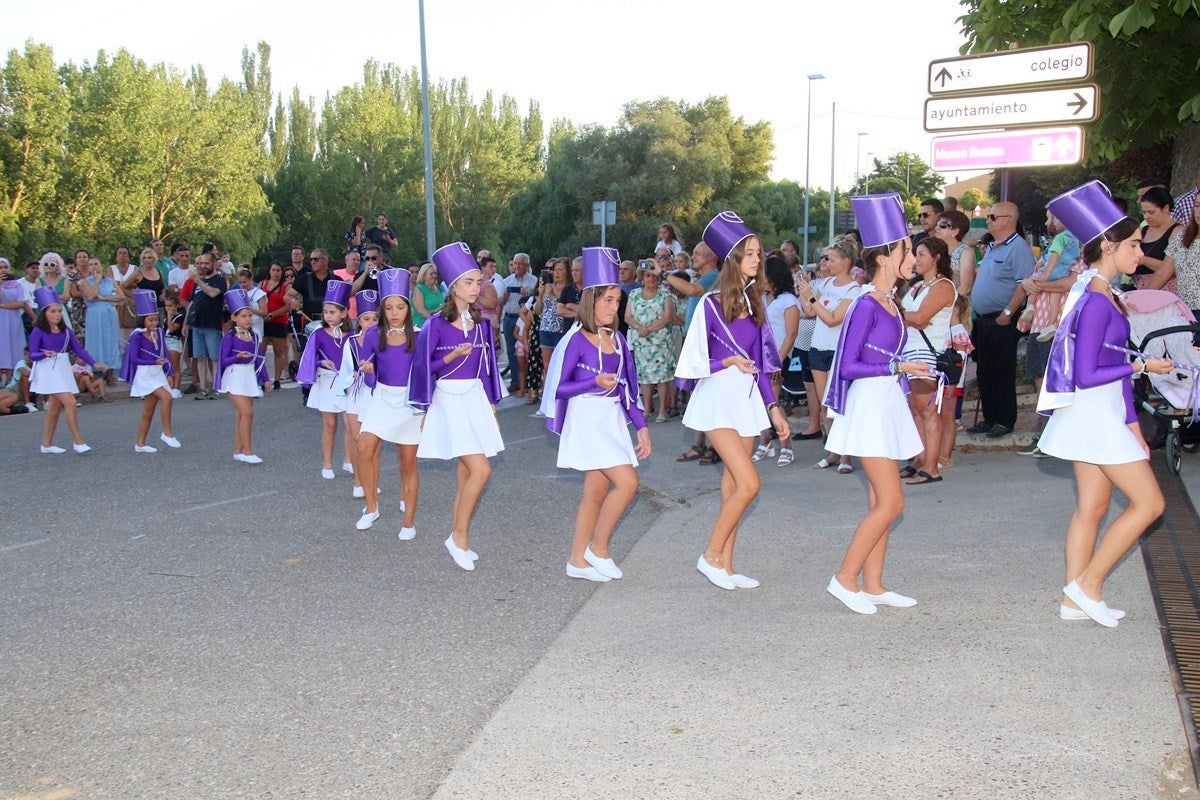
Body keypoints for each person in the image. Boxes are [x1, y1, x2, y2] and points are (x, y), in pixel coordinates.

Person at [1038, 180, 1172, 627]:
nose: (1140, 251)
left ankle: (1074, 602)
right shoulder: (1095, 299)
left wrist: (1133, 426)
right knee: (1150, 504)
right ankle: (1088, 584)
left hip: (1103, 412)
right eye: (1134, 244)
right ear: (1110, 246)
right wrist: (1142, 369)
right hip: (1093, 413)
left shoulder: (1105, 294)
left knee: (1093, 508)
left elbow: (1109, 366)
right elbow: (1088, 374)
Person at [824, 193, 931, 615]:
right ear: (886, 257)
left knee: (879, 502)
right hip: (869, 407)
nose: (913, 257)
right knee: (892, 502)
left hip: (886, 403)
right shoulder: (866, 304)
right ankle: (845, 578)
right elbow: (847, 365)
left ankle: (873, 583)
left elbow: (885, 359)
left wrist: (908, 369)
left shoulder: (891, 303)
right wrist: (898, 368)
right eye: (906, 249)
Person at [675, 212, 790, 590]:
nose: (758, 259)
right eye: (750, 254)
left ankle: (726, 564)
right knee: (750, 484)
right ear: (733, 260)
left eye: (759, 253)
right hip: (717, 400)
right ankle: (710, 555)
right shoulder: (709, 304)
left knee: (732, 487)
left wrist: (774, 408)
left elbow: (763, 364)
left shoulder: (756, 304)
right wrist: (725, 360)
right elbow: (691, 363)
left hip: (746, 401)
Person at [541, 246, 651, 582]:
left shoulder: (617, 338)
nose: (613, 306)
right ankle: (599, 548)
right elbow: (557, 388)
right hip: (587, 420)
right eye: (607, 300)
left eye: (617, 300)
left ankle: (577, 559)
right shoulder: (576, 340)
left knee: (595, 492)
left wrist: (642, 427)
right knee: (628, 482)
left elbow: (629, 387)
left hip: (612, 419)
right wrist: (592, 381)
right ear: (591, 300)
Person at [409, 242, 505, 571]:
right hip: (448, 400)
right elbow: (423, 367)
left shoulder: (480, 323)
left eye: (479, 281)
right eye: (470, 282)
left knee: (467, 474)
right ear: (453, 287)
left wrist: (491, 402)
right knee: (481, 470)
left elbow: (489, 364)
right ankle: (458, 539)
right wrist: (423, 409)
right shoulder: (435, 324)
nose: (477, 287)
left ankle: (457, 535)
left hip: (475, 398)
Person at [356, 272, 423, 538]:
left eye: (400, 307)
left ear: (408, 307)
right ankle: (371, 507)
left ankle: (409, 521)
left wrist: (426, 410)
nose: (394, 313)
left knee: (408, 462)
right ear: (382, 309)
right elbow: (368, 376)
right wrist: (369, 370)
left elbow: (427, 376)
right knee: (364, 447)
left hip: (410, 403)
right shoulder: (373, 334)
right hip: (382, 398)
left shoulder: (419, 336)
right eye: (389, 307)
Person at [966, 201, 1036, 438]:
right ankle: (990, 417)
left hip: (1002, 319)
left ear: (1008, 219)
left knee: (1002, 371)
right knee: (985, 371)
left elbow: (1025, 284)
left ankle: (1004, 419)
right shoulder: (994, 247)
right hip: (983, 320)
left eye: (993, 217)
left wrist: (1008, 312)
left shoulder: (1018, 248)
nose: (988, 220)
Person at [795, 236, 863, 473]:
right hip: (818, 347)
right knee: (825, 404)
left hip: (838, 350)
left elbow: (833, 320)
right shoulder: (825, 284)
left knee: (839, 403)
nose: (827, 263)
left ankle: (846, 456)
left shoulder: (854, 289)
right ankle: (832, 451)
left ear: (845, 261)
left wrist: (811, 297)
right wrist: (804, 290)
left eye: (831, 259)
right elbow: (810, 312)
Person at [899, 237, 956, 485]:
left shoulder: (943, 286)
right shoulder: (917, 286)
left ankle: (932, 467)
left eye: (921, 254)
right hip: (908, 351)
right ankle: (920, 459)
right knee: (915, 409)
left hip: (926, 353)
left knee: (928, 410)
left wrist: (900, 313)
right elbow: (912, 317)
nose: (916, 259)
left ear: (936, 257)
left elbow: (920, 317)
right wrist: (907, 316)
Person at [29, 286, 108, 454]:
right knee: (70, 402)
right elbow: (33, 355)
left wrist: (94, 363)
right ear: (45, 313)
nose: (57, 314)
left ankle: (47, 444)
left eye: (58, 311)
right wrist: (44, 355)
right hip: (47, 369)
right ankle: (78, 441)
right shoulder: (38, 331)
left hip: (62, 367)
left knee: (55, 408)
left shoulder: (66, 331)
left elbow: (78, 350)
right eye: (53, 311)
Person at [663, 241, 721, 464]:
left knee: (707, 393)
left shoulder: (712, 276)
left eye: (697, 253)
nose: (693, 256)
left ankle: (714, 446)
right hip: (695, 342)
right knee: (698, 393)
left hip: (706, 344)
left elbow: (690, 290)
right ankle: (700, 444)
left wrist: (663, 274)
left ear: (710, 258)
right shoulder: (702, 277)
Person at [296, 280, 353, 480]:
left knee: (350, 422)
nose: (328, 316)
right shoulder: (318, 334)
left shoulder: (351, 335)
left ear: (344, 313)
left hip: (347, 382)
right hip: (327, 381)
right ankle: (327, 463)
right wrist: (321, 362)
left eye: (332, 312)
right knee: (329, 424)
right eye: (326, 312)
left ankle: (348, 459)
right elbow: (309, 358)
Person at [119, 289, 180, 453]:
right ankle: (167, 432)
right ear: (142, 320)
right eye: (150, 320)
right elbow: (133, 359)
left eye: (156, 320)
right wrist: (153, 361)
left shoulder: (159, 333)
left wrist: (170, 372)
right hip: (145, 374)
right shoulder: (137, 336)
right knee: (167, 397)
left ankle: (140, 443)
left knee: (148, 410)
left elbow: (164, 354)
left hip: (158, 372)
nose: (154, 323)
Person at [217, 289, 272, 463]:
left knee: (242, 415)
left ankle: (238, 450)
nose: (248, 319)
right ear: (234, 318)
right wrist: (236, 357)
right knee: (247, 413)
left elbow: (259, 359)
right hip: (234, 377)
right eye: (243, 316)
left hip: (249, 377)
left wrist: (266, 379)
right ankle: (248, 451)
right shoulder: (230, 337)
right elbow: (223, 360)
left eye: (249, 315)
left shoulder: (255, 336)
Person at [333, 290, 379, 499]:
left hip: (374, 393)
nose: (371, 323)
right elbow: (343, 372)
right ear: (359, 320)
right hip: (354, 393)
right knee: (357, 438)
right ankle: (358, 480)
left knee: (373, 442)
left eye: (375, 319)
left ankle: (372, 480)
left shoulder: (382, 340)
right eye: (367, 319)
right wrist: (352, 374)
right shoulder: (350, 342)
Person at [756, 256, 800, 466]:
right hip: (760, 356)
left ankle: (787, 446)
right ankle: (765, 442)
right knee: (760, 402)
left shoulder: (788, 301)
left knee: (772, 401)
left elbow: (791, 334)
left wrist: (778, 361)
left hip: (778, 357)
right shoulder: (762, 298)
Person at [625, 263, 677, 423]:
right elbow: (628, 317)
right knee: (645, 377)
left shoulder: (664, 294)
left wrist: (649, 328)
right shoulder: (634, 294)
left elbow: (668, 316)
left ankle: (662, 410)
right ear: (641, 277)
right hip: (642, 343)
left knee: (662, 377)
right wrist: (640, 328)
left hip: (660, 342)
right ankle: (647, 409)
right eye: (647, 275)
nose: (651, 278)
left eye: (654, 275)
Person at [182, 251, 227, 399]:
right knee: (199, 357)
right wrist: (186, 323)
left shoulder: (219, 280)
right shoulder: (198, 283)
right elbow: (192, 304)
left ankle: (215, 387)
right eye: (201, 263)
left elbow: (213, 293)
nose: (203, 266)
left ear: (213, 264)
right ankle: (202, 387)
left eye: (206, 263)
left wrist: (199, 282)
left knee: (214, 358)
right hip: (197, 325)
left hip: (212, 325)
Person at [79, 254, 123, 377]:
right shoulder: (85, 282)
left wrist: (104, 298)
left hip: (110, 313)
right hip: (95, 315)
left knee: (112, 340)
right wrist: (97, 282)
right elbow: (90, 296)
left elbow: (120, 296)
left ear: (101, 266)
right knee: (97, 341)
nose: (94, 267)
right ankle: (97, 371)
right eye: (91, 265)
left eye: (96, 264)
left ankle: (111, 371)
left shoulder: (110, 281)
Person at [500, 253, 537, 390]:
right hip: (509, 318)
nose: (517, 266)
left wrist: (528, 294)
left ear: (527, 265)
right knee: (511, 351)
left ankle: (528, 382)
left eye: (520, 263)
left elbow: (537, 299)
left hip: (524, 320)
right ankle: (515, 381)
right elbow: (501, 302)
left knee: (527, 351)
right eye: (515, 263)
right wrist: (504, 297)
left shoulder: (533, 280)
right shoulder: (507, 280)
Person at [1136, 187, 1179, 292]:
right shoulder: (1141, 231)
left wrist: (1144, 260)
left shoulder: (1178, 232)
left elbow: (1173, 269)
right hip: (1139, 288)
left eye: (1151, 212)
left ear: (1166, 208)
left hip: (1167, 292)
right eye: (1144, 212)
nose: (1147, 217)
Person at [1164, 194, 1200, 312]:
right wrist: (1141, 297)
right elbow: (1163, 272)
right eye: (1197, 206)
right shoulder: (1182, 237)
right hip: (1185, 312)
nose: (1199, 212)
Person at [260, 263, 293, 390]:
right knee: (260, 351)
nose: (275, 272)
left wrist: (273, 315)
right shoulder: (263, 284)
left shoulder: (286, 286)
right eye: (273, 270)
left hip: (279, 321)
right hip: (263, 321)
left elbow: (288, 306)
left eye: (278, 270)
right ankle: (263, 378)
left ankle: (277, 379)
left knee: (278, 351)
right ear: (269, 271)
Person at [0, 257, 31, 387]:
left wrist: (2, 305)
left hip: (13, 320)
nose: (3, 270)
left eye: (5, 267)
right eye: (0, 268)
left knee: (13, 347)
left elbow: (20, 303)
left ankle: (11, 380)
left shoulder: (17, 285)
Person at [933, 209, 977, 297]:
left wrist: (946, 305)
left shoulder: (965, 253)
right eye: (937, 224)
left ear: (955, 231)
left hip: (955, 306)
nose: (936, 228)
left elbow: (966, 287)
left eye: (942, 225)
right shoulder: (938, 250)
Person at [163, 295, 184, 396]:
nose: (168, 308)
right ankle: (168, 386)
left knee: (175, 366)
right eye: (166, 306)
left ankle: (176, 389)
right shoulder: (165, 318)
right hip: (165, 341)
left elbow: (171, 329)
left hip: (174, 341)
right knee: (166, 366)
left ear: (176, 306)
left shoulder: (179, 317)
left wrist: (169, 316)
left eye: (170, 306)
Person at [412, 263, 444, 327]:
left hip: (438, 326)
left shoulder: (439, 288)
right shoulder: (419, 289)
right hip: (422, 326)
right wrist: (434, 322)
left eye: (435, 273)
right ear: (423, 275)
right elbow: (421, 311)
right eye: (431, 274)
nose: (434, 276)